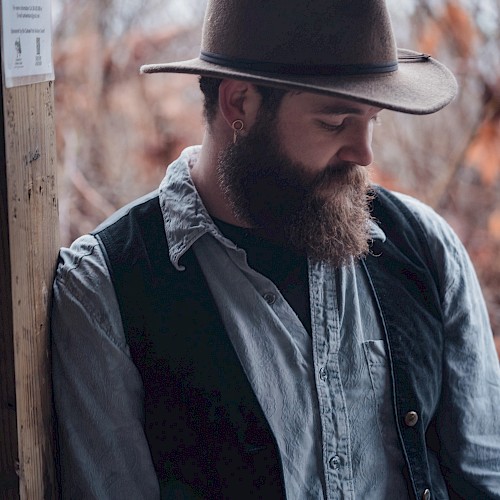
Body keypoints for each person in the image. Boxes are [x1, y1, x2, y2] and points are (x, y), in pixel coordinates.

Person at [51, 0, 500, 498]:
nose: (364, 153)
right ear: (239, 104)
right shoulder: (105, 286)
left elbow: (485, 474)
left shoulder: (426, 247)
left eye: (374, 120)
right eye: (335, 122)